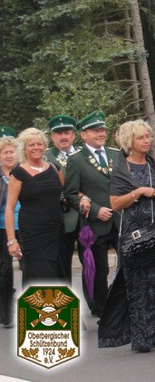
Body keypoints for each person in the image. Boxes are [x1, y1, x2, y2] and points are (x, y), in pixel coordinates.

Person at [98, 120, 155, 353]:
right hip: (134, 232)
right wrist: (138, 192)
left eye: (148, 136)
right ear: (130, 141)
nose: (146, 141)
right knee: (137, 285)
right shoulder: (122, 168)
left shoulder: (154, 163)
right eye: (141, 137)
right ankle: (141, 337)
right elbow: (115, 204)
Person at [65, 111, 120, 316]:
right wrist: (95, 210)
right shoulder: (77, 160)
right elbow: (71, 194)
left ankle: (124, 306)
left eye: (102, 130)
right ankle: (103, 311)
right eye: (95, 130)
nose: (100, 133)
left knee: (128, 265)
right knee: (99, 269)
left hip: (120, 219)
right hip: (96, 224)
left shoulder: (116, 154)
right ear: (83, 134)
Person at [5, 128, 64, 286]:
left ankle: (54, 304)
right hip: (33, 234)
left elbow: (62, 196)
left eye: (39, 144)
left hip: (57, 231)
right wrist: (12, 240)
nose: (36, 147)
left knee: (57, 274)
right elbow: (9, 208)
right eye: (31, 145)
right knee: (40, 274)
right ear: (24, 148)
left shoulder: (55, 168)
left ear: (45, 146)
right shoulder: (18, 173)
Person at [44, 115, 81, 282]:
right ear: (52, 136)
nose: (63, 137)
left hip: (86, 216)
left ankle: (95, 299)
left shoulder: (85, 154)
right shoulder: (45, 157)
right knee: (61, 267)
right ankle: (64, 298)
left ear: (73, 135)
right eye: (59, 133)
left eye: (67, 133)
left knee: (93, 266)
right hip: (61, 219)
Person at [0, 131, 18, 328]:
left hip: (27, 225)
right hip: (3, 227)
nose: (9, 155)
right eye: (5, 152)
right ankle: (6, 315)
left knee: (29, 267)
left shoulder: (23, 172)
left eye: (12, 151)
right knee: (4, 270)